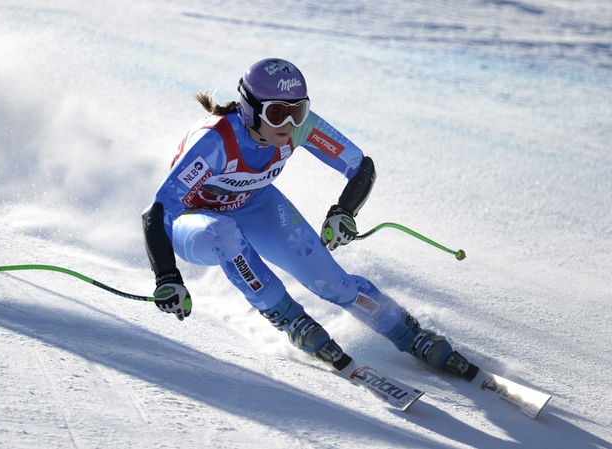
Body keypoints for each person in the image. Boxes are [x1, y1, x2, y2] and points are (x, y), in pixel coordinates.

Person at [141, 58, 477, 379]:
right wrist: (167, 276)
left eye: (297, 111)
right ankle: (291, 320)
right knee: (224, 232)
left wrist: (344, 211)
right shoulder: (215, 142)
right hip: (193, 222)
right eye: (276, 114)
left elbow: (360, 165)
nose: (289, 125)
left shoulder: (300, 127)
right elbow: (157, 211)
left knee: (331, 281)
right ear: (250, 109)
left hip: (254, 204)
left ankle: (407, 333)